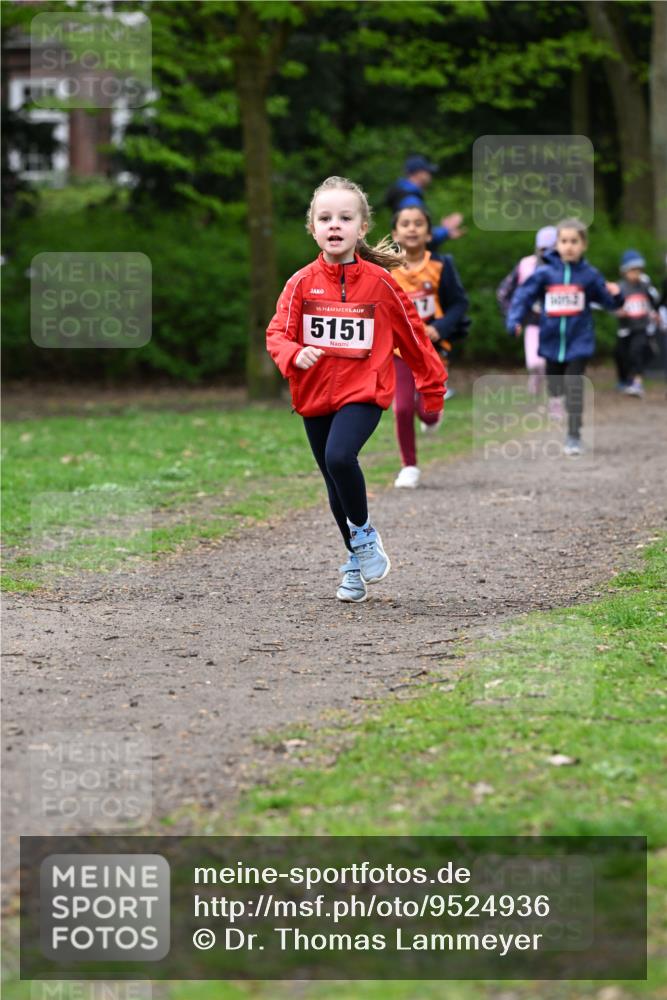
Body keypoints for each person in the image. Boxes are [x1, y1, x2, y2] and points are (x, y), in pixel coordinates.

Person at [266, 176, 446, 603]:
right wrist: (294, 354)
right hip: (313, 396)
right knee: (333, 482)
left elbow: (414, 338)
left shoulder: (381, 284)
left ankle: (363, 535)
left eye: (345, 218)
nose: (334, 225)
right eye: (324, 217)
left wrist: (432, 390)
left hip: (365, 390)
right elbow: (277, 334)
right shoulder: (299, 283)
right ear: (312, 227)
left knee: (339, 456)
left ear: (361, 228)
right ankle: (355, 560)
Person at [506, 218, 624, 457]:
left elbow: (608, 301)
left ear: (584, 245)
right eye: (564, 241)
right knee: (556, 385)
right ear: (556, 245)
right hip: (550, 341)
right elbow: (523, 296)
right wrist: (515, 319)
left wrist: (618, 295)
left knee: (574, 386)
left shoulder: (589, 275)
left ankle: (573, 435)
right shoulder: (545, 273)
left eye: (574, 241)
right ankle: (555, 397)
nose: (569, 246)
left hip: (579, 340)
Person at [390, 204, 469, 488]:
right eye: (406, 223)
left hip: (432, 349)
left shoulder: (440, 264)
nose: (412, 228)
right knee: (401, 408)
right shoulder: (385, 268)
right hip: (398, 350)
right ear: (395, 233)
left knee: (427, 409)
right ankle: (409, 466)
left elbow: (460, 303)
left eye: (418, 223)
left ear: (428, 232)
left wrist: (440, 327)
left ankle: (433, 417)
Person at [497, 226, 558, 400]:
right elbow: (503, 292)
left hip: (557, 323)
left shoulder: (565, 268)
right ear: (537, 248)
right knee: (534, 363)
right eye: (543, 249)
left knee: (553, 364)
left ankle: (556, 402)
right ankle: (536, 380)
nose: (547, 253)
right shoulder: (526, 265)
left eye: (552, 249)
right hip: (533, 322)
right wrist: (512, 317)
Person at [385, 155, 465, 248]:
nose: (430, 175)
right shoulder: (411, 200)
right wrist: (445, 231)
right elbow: (417, 236)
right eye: (428, 172)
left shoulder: (405, 194)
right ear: (419, 173)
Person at [614, 250, 660, 397]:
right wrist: (617, 311)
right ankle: (625, 380)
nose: (636, 274)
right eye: (632, 270)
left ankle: (637, 383)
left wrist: (654, 312)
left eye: (638, 270)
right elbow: (611, 304)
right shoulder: (620, 287)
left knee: (637, 352)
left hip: (641, 327)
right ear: (624, 271)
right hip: (625, 328)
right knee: (621, 355)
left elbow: (655, 300)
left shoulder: (645, 285)